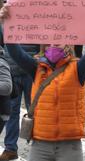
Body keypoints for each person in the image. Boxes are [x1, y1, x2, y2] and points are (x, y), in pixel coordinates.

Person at [0, 5, 85, 161]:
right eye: (50, 39)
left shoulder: (78, 68)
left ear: (69, 43)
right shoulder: (36, 68)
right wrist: (7, 26)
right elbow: (15, 52)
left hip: (70, 145)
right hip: (40, 145)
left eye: (59, 38)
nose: (54, 42)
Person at [0, 32, 34, 161]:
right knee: (12, 112)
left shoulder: (38, 16)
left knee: (35, 110)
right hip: (11, 72)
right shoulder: (5, 18)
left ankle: (38, 147)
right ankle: (10, 149)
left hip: (31, 72)